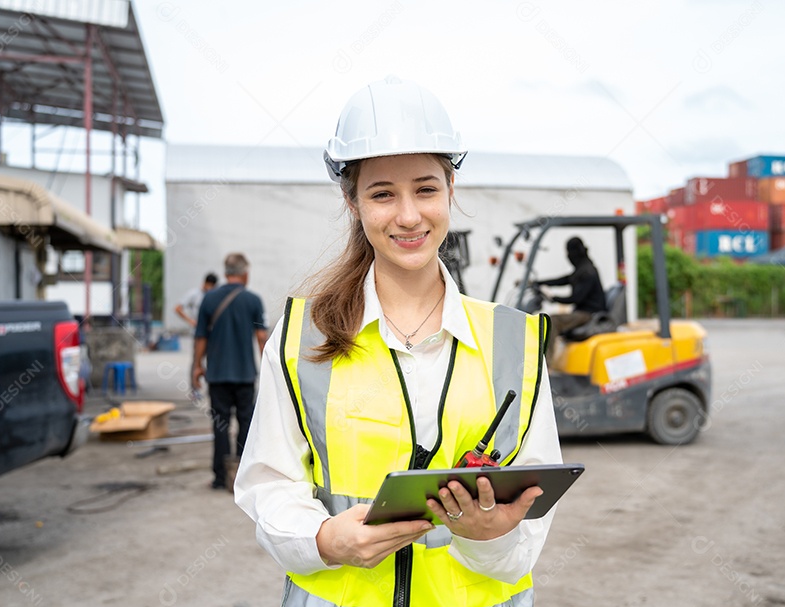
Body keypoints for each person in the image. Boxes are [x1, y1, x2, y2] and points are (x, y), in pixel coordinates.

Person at [234, 77, 563, 606]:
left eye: (426, 189)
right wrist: (323, 540)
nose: (408, 216)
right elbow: (268, 484)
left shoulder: (515, 343)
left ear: (451, 191)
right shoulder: (303, 338)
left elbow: (524, 546)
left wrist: (488, 538)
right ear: (352, 202)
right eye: (382, 194)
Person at [192, 254, 267, 490]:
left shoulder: (209, 299)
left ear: (226, 273)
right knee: (246, 423)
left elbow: (201, 337)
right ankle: (243, 479)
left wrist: (196, 366)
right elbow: (261, 338)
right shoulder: (253, 300)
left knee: (220, 426)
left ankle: (220, 478)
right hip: (245, 374)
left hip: (217, 375)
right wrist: (268, 369)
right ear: (245, 273)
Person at [535, 237, 607, 361]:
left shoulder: (587, 271)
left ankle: (546, 366)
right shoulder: (582, 269)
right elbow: (564, 280)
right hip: (582, 312)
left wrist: (554, 297)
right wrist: (539, 283)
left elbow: (576, 298)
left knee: (552, 321)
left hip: (589, 314)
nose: (567, 256)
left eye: (568, 252)